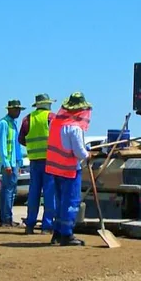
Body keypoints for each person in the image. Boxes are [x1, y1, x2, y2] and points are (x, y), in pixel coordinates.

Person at [46, 92, 92, 246]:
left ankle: (57, 232)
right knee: (71, 202)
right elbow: (78, 151)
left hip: (55, 168)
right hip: (70, 169)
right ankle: (67, 234)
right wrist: (88, 155)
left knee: (60, 201)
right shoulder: (74, 127)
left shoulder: (55, 123)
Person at [18, 94, 57, 235]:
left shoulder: (28, 118)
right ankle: (47, 226)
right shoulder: (51, 117)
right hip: (50, 160)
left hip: (34, 161)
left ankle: (30, 225)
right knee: (49, 193)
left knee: (33, 193)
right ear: (47, 104)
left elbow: (21, 139)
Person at [0, 100, 25, 227]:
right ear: (9, 110)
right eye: (16, 109)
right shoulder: (4, 124)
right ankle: (6, 219)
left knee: (9, 191)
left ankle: (6, 218)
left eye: (19, 109)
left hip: (14, 162)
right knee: (8, 191)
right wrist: (6, 163)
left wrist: (19, 162)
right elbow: (2, 146)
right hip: (8, 163)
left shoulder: (13, 124)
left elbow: (16, 145)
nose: (18, 112)